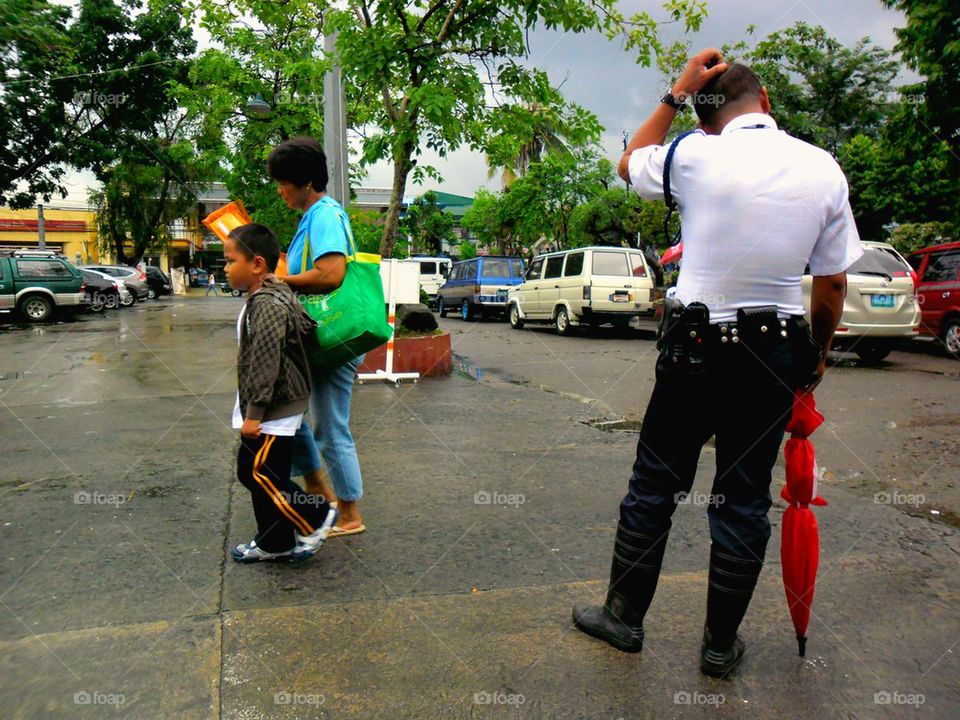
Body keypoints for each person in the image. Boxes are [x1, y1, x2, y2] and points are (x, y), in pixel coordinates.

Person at [571, 49, 862, 678]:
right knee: (743, 499)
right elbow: (832, 283)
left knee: (655, 485)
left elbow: (628, 162)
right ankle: (719, 646)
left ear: (706, 120)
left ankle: (624, 618)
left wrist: (675, 92)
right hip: (776, 352)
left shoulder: (693, 153)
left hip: (696, 348)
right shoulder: (823, 167)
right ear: (766, 104)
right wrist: (814, 357)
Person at [268, 136, 367, 537]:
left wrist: (281, 281)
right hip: (314, 338)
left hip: (330, 339)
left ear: (306, 181)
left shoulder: (325, 215)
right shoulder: (312, 217)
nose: (279, 190)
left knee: (329, 425)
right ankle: (319, 493)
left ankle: (349, 513)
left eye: (283, 182)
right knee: (289, 414)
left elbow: (331, 274)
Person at [223, 222, 338, 563]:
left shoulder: (269, 303)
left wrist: (254, 414)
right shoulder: (266, 295)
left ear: (256, 264)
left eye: (230, 261)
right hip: (272, 407)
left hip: (273, 408)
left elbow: (265, 361)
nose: (226, 268)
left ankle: (316, 516)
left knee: (257, 473)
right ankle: (276, 542)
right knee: (260, 472)